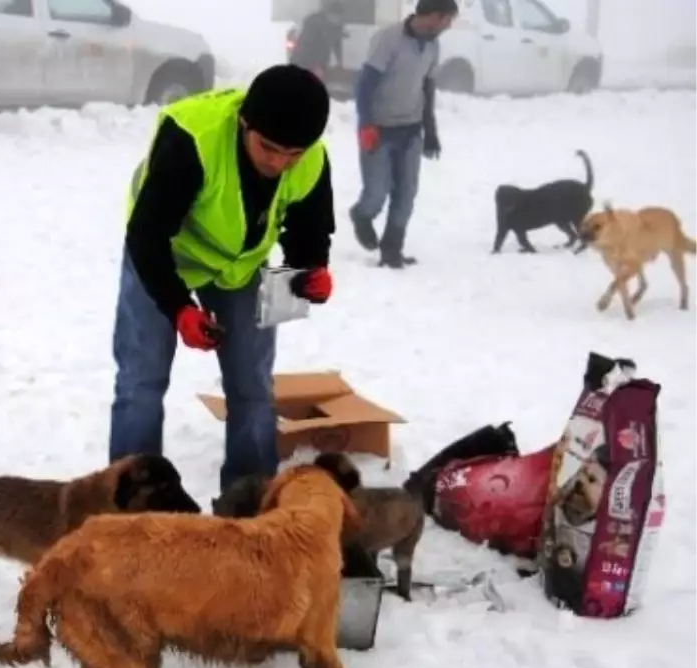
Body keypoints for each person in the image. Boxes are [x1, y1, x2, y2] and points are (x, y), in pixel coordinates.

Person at [108, 64, 336, 492]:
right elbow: (148, 233)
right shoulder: (193, 137)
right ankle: (130, 502)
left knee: (252, 383)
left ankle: (249, 498)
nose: (279, 162)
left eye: (293, 154)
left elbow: (310, 225)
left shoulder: (311, 157)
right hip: (163, 254)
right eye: (268, 148)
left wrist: (312, 270)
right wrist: (178, 308)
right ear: (244, 123)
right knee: (142, 381)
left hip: (238, 266)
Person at [349, 0, 458, 269]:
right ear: (433, 16)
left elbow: (427, 87)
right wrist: (367, 124)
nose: (449, 26)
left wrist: (430, 130)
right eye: (447, 20)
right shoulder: (389, 39)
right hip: (379, 128)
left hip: (410, 130)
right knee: (377, 192)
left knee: (406, 194)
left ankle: (392, 250)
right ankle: (362, 215)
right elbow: (365, 84)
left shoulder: (433, 44)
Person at [289, 0, 346, 81]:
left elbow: (337, 43)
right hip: (302, 61)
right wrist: (315, 65)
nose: (339, 21)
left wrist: (339, 61)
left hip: (318, 64)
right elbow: (306, 46)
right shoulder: (313, 23)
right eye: (337, 18)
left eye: (340, 18)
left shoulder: (335, 26)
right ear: (330, 15)